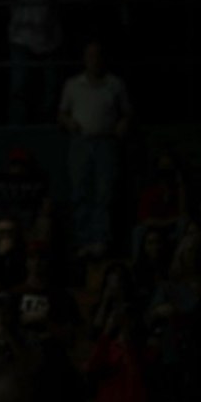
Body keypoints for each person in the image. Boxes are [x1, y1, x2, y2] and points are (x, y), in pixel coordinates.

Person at [58, 38, 133, 260]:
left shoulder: (115, 84)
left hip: (106, 142)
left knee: (104, 193)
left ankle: (101, 240)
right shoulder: (73, 85)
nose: (94, 61)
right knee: (81, 192)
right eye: (90, 56)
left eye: (98, 56)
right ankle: (83, 241)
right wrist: (69, 122)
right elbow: (61, 113)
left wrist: (122, 126)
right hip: (81, 142)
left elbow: (128, 113)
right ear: (84, 59)